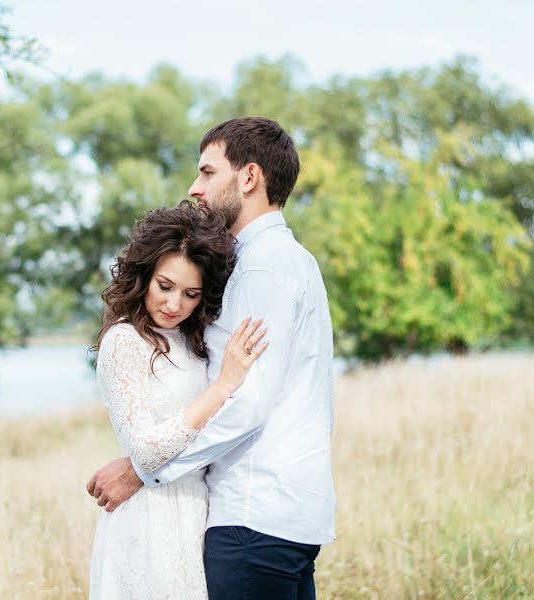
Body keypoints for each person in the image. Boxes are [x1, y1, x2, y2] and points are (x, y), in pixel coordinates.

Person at [87, 117, 336, 599]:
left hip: (252, 514)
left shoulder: (261, 267)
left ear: (248, 178)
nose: (194, 188)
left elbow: (248, 403)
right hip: (286, 513)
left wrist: (143, 470)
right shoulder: (294, 259)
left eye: (206, 171)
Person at [88, 201, 269, 599]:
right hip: (147, 519)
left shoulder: (191, 339)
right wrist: (221, 387)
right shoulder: (124, 341)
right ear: (144, 275)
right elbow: (146, 451)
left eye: (191, 294)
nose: (174, 306)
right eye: (165, 287)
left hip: (194, 512)